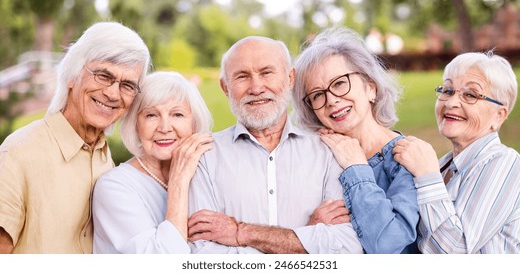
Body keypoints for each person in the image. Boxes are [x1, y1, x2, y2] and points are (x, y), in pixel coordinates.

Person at [186, 36, 363, 254]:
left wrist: (241, 233)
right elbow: (203, 255)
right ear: (225, 87)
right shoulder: (205, 155)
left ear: (290, 78)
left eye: (266, 72)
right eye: (242, 76)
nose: (256, 87)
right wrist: (307, 235)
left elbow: (345, 248)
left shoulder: (328, 148)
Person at [0, 21, 151, 253]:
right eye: (103, 75)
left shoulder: (104, 157)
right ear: (72, 75)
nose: (112, 93)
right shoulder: (18, 155)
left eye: (127, 85)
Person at [292, 27, 419, 254]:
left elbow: (388, 244)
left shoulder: (407, 158)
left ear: (370, 88)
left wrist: (356, 167)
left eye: (340, 83)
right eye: (317, 95)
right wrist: (312, 229)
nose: (331, 100)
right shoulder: (316, 158)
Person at [393, 51, 520, 254]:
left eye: (470, 95)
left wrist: (427, 176)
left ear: (499, 115)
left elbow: (456, 252)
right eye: (448, 90)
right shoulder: (442, 166)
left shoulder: (505, 163)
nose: (451, 103)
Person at [92, 71, 213, 253]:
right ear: (135, 125)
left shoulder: (206, 173)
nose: (164, 127)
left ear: (194, 124)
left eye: (177, 115)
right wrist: (178, 183)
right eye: (151, 115)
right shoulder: (114, 187)